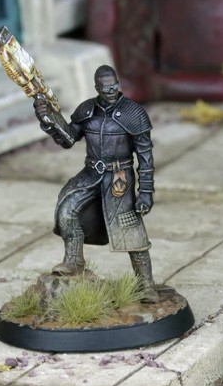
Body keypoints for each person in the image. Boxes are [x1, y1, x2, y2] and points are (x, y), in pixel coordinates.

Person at [33, 65, 159, 302]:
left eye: (114, 86)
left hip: (119, 178)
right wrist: (48, 118)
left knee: (131, 230)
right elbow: (68, 138)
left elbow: (145, 157)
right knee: (66, 210)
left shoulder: (134, 113)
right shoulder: (87, 110)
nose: (111, 91)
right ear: (97, 88)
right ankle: (74, 261)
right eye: (105, 87)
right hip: (91, 174)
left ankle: (146, 285)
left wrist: (146, 192)